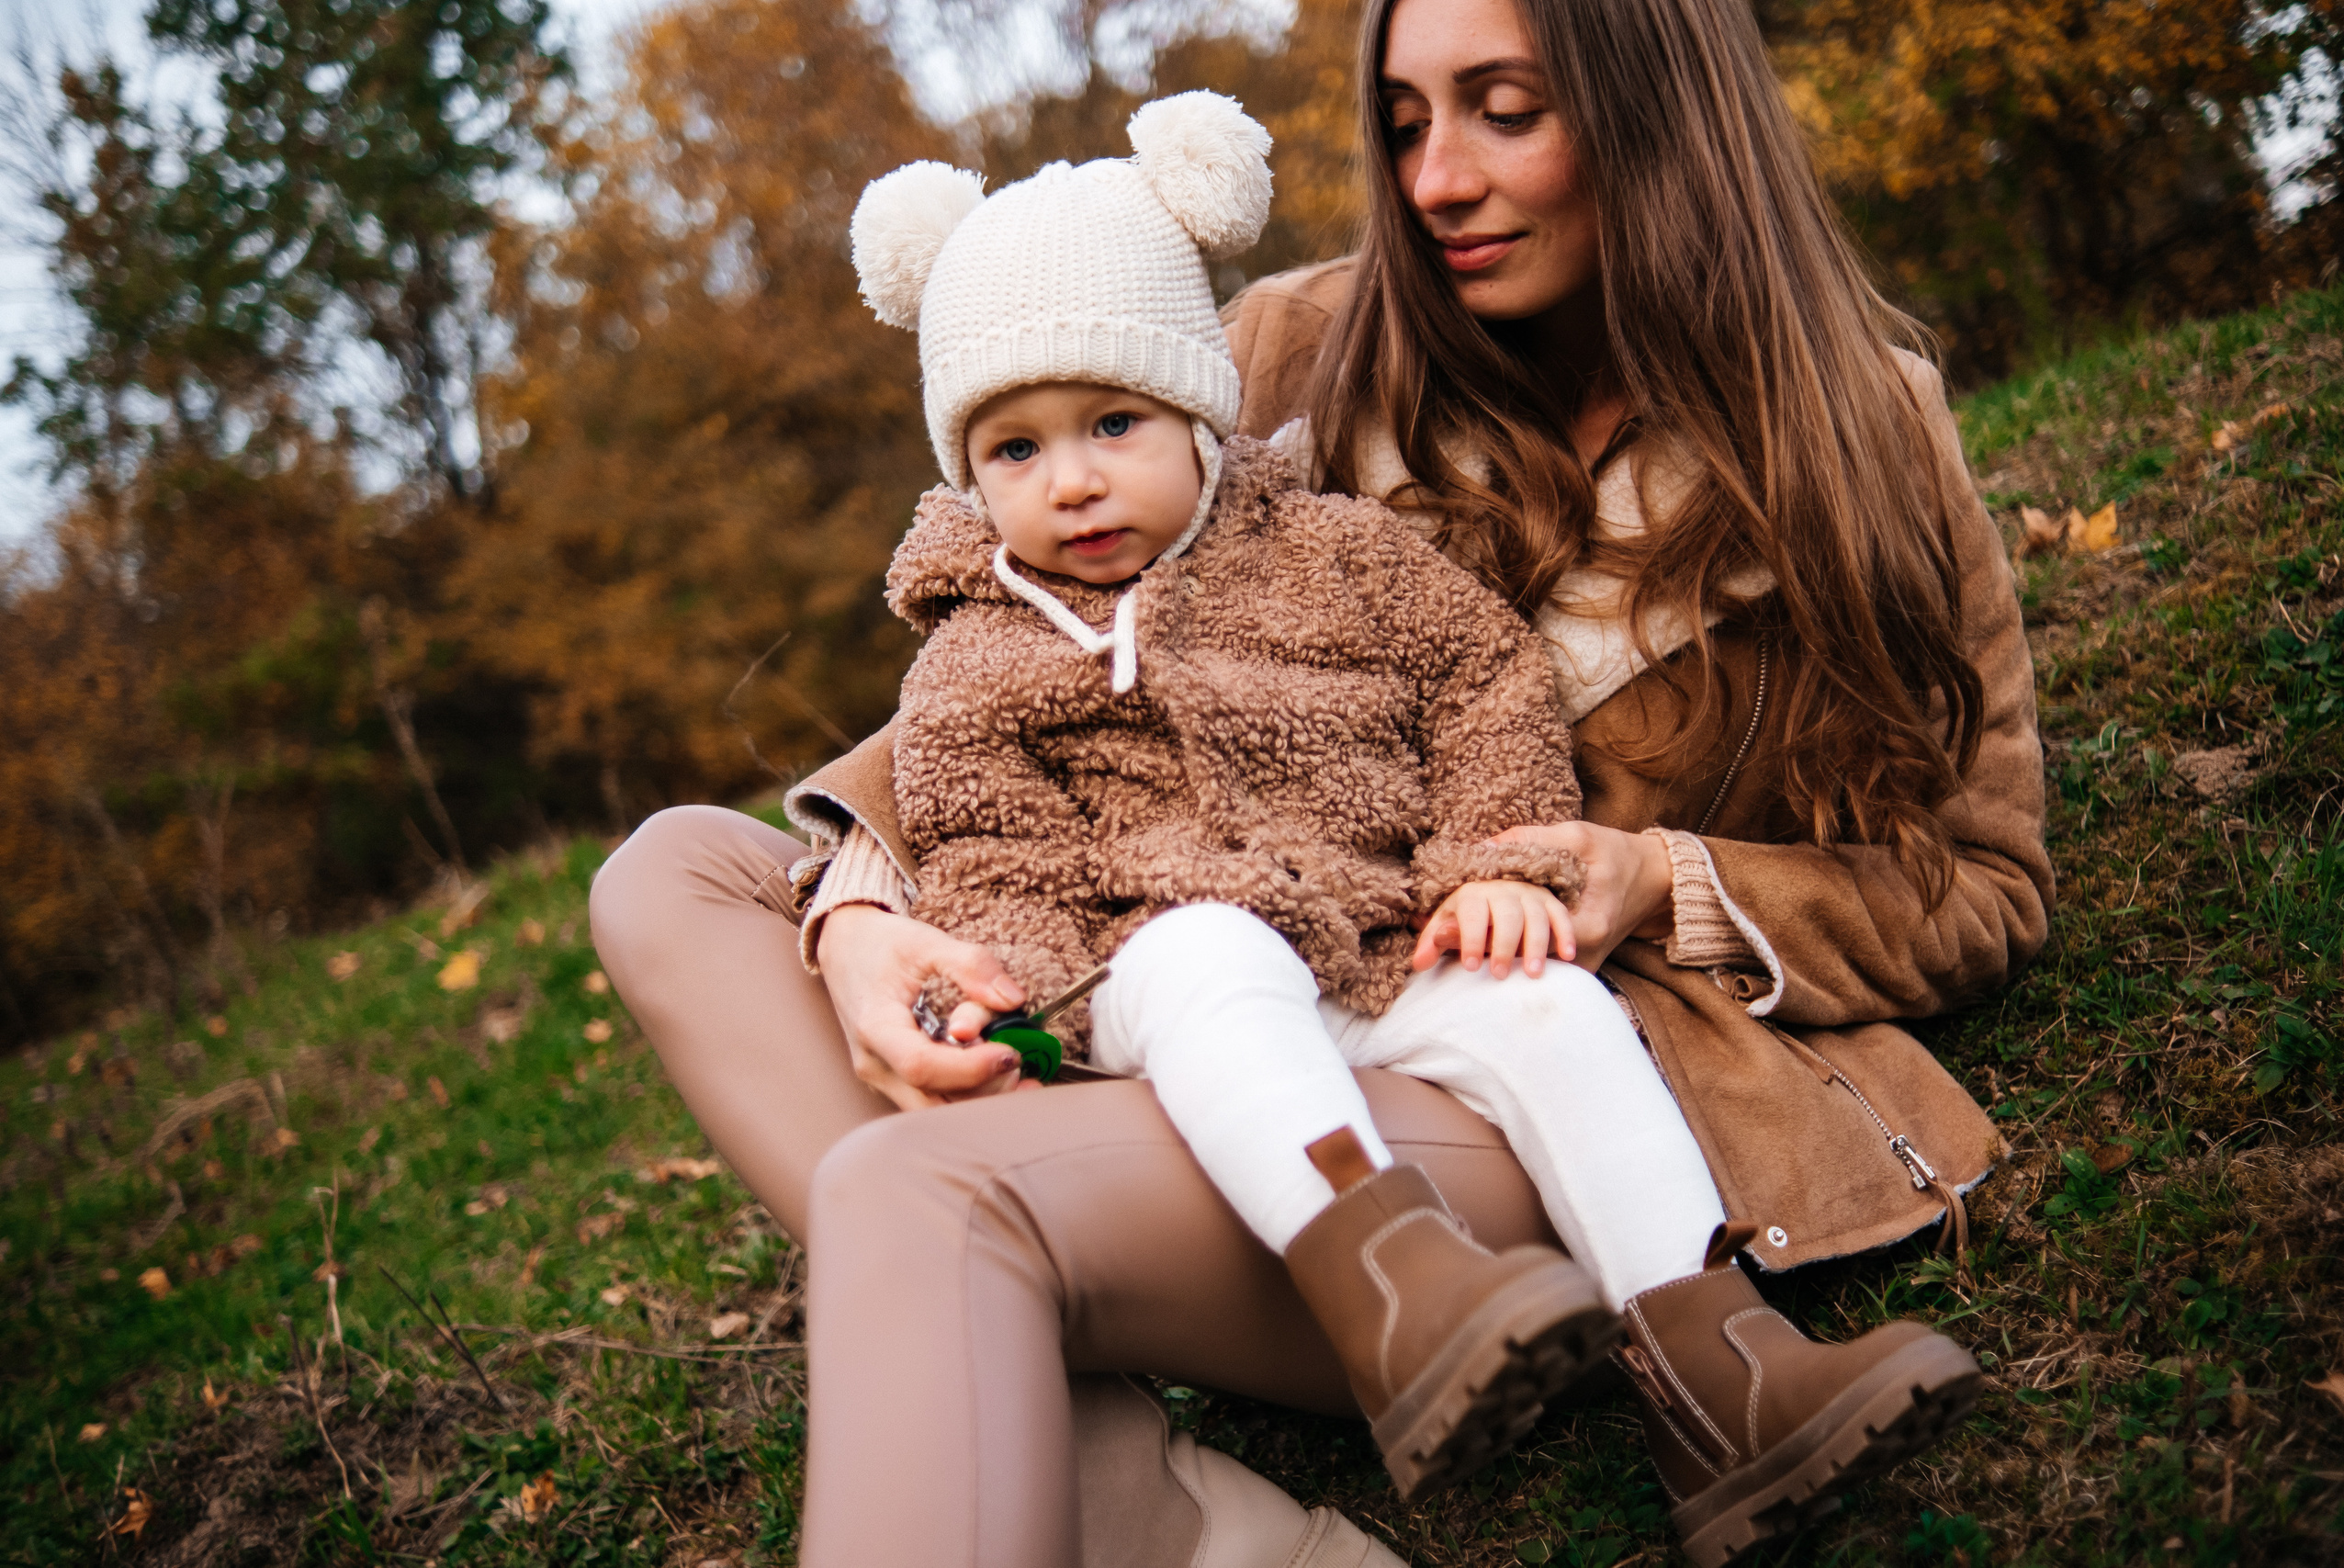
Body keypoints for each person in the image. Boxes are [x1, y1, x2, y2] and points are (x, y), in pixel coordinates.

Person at [588, 0, 2053, 1562]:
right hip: (1214, 990)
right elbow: (1025, 665)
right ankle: (1113, 1473)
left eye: (1504, 109)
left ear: (1657, 117)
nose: (1435, 180)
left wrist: (1668, 883)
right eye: (1407, 121)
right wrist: (865, 921)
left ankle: (1186, 1448)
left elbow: (1987, 886)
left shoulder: (1858, 424)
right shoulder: (1294, 344)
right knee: (671, 871)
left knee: (911, 1195)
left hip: (1519, 1057)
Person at [847, 93, 1752, 1500]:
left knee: (1549, 1001)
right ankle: (1397, 1295)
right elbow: (986, 842)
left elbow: (1484, 679)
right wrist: (1023, 983)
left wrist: (1492, 865)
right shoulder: (974, 658)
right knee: (1205, 952)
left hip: (1384, 933)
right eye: (1015, 450)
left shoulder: (1328, 553)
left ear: (1199, 413)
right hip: (1158, 975)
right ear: (968, 473)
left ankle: (1723, 1368)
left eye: (1113, 420)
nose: (1074, 481)